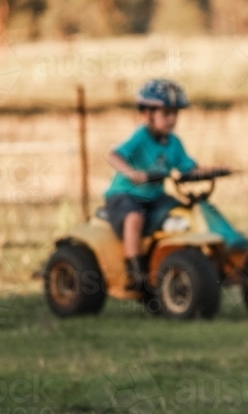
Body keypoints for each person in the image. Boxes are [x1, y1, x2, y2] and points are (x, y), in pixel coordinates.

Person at [103, 78, 197, 291]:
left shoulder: (174, 143)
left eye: (175, 114)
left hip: (155, 198)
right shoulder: (141, 137)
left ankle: (179, 260)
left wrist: (211, 170)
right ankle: (136, 272)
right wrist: (132, 173)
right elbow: (114, 155)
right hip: (125, 195)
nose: (172, 119)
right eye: (166, 114)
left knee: (183, 210)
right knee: (135, 217)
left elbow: (188, 167)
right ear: (148, 114)